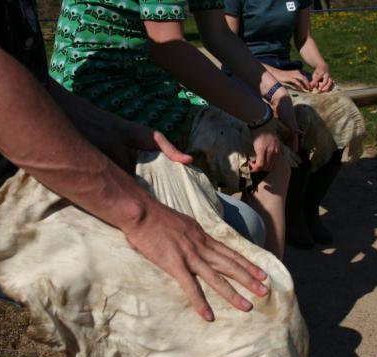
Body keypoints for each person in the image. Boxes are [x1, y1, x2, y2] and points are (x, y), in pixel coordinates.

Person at [0, 0, 271, 335]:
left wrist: (111, 129)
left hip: (15, 159)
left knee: (247, 226)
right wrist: (139, 213)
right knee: (195, 296)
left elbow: (30, 80)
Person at [49, 0, 301, 258]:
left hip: (150, 80)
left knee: (270, 155)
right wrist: (258, 117)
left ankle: (265, 276)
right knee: (266, 157)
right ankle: (267, 287)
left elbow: (219, 34)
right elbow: (168, 48)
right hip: (99, 89)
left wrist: (276, 94)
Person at [224, 0, 365, 247]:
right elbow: (227, 43)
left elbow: (304, 39)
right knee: (301, 118)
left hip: (289, 71)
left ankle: (310, 207)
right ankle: (292, 214)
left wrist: (321, 66)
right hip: (245, 71)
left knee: (342, 113)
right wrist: (274, 75)